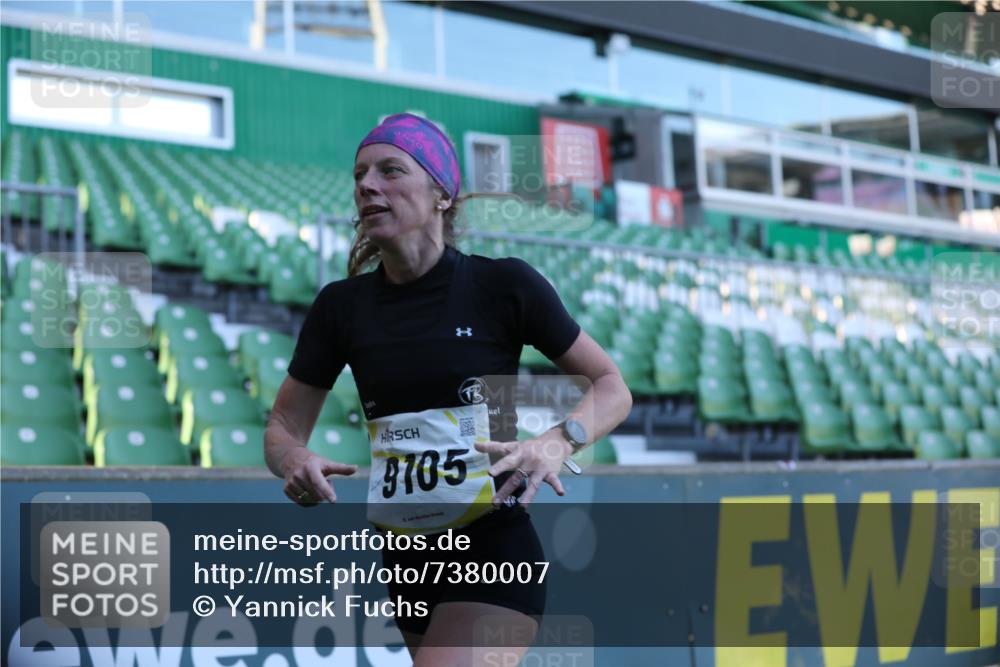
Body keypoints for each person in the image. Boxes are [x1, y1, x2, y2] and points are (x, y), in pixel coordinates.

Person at [264, 112, 632, 665]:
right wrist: (293, 459)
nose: (367, 185)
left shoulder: (502, 284)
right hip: (406, 557)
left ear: (441, 194)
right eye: (360, 174)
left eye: (390, 171)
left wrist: (557, 441)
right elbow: (283, 427)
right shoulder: (341, 307)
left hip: (492, 543)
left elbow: (612, 386)